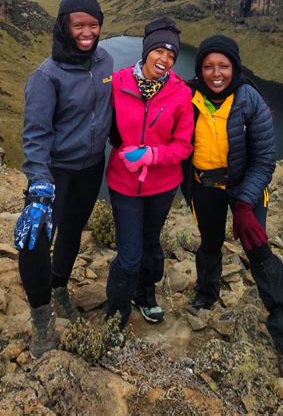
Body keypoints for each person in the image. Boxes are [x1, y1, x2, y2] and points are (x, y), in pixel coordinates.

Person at [184, 34, 283, 380]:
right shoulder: (188, 95)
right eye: (208, 66)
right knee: (209, 244)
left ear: (234, 67)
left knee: (258, 250)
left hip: (244, 191)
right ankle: (206, 295)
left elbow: (265, 159)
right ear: (200, 68)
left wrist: (244, 203)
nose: (215, 73)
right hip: (204, 186)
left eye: (223, 66)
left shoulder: (249, 98)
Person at [13, 0, 113, 358]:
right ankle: (41, 315)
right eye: (78, 25)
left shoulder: (105, 61)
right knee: (35, 240)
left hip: (91, 168)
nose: (87, 32)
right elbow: (36, 135)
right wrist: (40, 185)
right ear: (64, 27)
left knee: (73, 231)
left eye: (93, 24)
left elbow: (106, 111)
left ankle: (59, 289)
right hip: (55, 172)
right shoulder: (46, 76)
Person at [105, 17, 194, 330]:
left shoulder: (181, 94)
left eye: (171, 56)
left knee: (151, 245)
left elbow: (184, 146)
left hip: (162, 184)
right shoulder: (116, 82)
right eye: (160, 51)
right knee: (129, 255)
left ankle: (145, 295)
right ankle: (115, 315)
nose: (165, 60)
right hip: (123, 183)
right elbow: (96, 119)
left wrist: (151, 154)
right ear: (146, 51)